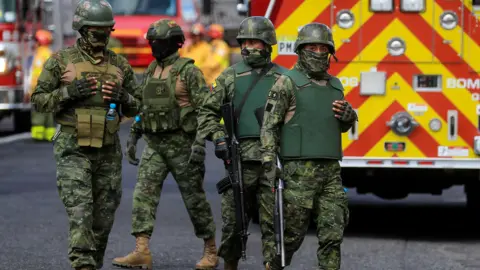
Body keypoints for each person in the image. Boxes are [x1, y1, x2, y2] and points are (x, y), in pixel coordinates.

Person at [30, 1, 141, 269]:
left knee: (103, 218)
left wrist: (123, 97)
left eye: (106, 31)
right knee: (80, 212)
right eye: (95, 30)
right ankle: (83, 265)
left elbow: (139, 105)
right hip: (73, 147)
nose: (101, 36)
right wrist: (69, 93)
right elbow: (38, 100)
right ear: (81, 29)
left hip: (107, 148)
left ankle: (93, 263)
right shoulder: (61, 61)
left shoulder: (119, 65)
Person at [111, 19, 218, 270]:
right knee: (142, 196)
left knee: (195, 200)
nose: (154, 47)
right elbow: (144, 105)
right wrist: (135, 133)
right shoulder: (151, 70)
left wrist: (201, 142)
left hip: (182, 145)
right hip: (155, 144)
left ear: (173, 43)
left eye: (158, 42)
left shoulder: (189, 72)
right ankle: (141, 250)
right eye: (152, 42)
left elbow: (206, 109)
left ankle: (211, 250)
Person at [259, 23, 357, 270]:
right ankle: (274, 265)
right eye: (311, 47)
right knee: (291, 235)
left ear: (329, 51)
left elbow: (339, 126)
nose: (317, 52)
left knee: (333, 232)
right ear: (301, 50)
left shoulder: (336, 86)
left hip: (331, 172)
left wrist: (349, 116)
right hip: (298, 172)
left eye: (322, 47)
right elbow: (269, 126)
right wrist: (269, 161)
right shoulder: (286, 83)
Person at [196, 16, 288, 270]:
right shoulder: (230, 76)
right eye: (244, 41)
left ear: (267, 43)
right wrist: (219, 138)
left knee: (274, 223)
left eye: (254, 41)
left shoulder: (285, 78)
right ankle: (230, 264)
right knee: (233, 222)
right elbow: (206, 113)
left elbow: (297, 120)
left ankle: (273, 264)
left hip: (273, 161)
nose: (248, 47)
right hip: (239, 160)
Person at [28, 29, 55, 141]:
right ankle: (49, 134)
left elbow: (37, 74)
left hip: (40, 88)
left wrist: (32, 89)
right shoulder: (49, 53)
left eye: (36, 41)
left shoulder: (41, 54)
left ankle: (38, 135)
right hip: (49, 88)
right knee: (48, 112)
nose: (34, 43)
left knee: (38, 112)